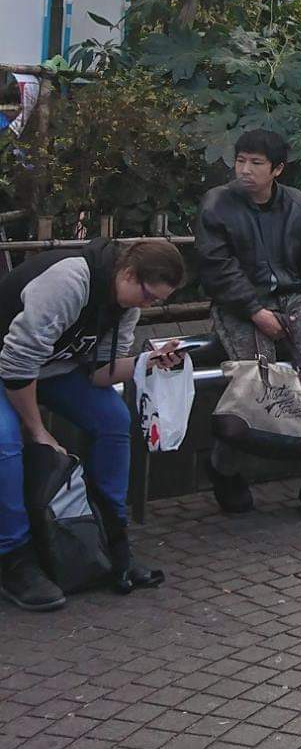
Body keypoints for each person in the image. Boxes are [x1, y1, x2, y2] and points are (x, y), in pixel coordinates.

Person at [0, 236, 185, 610]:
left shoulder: (125, 305)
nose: (148, 305)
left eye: (157, 301)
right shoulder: (68, 282)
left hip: (48, 369)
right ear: (128, 273)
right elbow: (17, 366)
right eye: (148, 296)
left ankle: (110, 537)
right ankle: (13, 556)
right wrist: (38, 430)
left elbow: (99, 372)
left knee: (114, 418)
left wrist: (146, 363)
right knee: (6, 439)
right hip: (10, 367)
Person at [197, 128, 301, 522]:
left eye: (256, 163)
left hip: (293, 300)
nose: (245, 170)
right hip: (238, 305)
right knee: (255, 383)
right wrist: (255, 311)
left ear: (278, 169)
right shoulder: (217, 204)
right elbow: (217, 268)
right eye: (240, 161)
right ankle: (224, 470)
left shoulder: (300, 207)